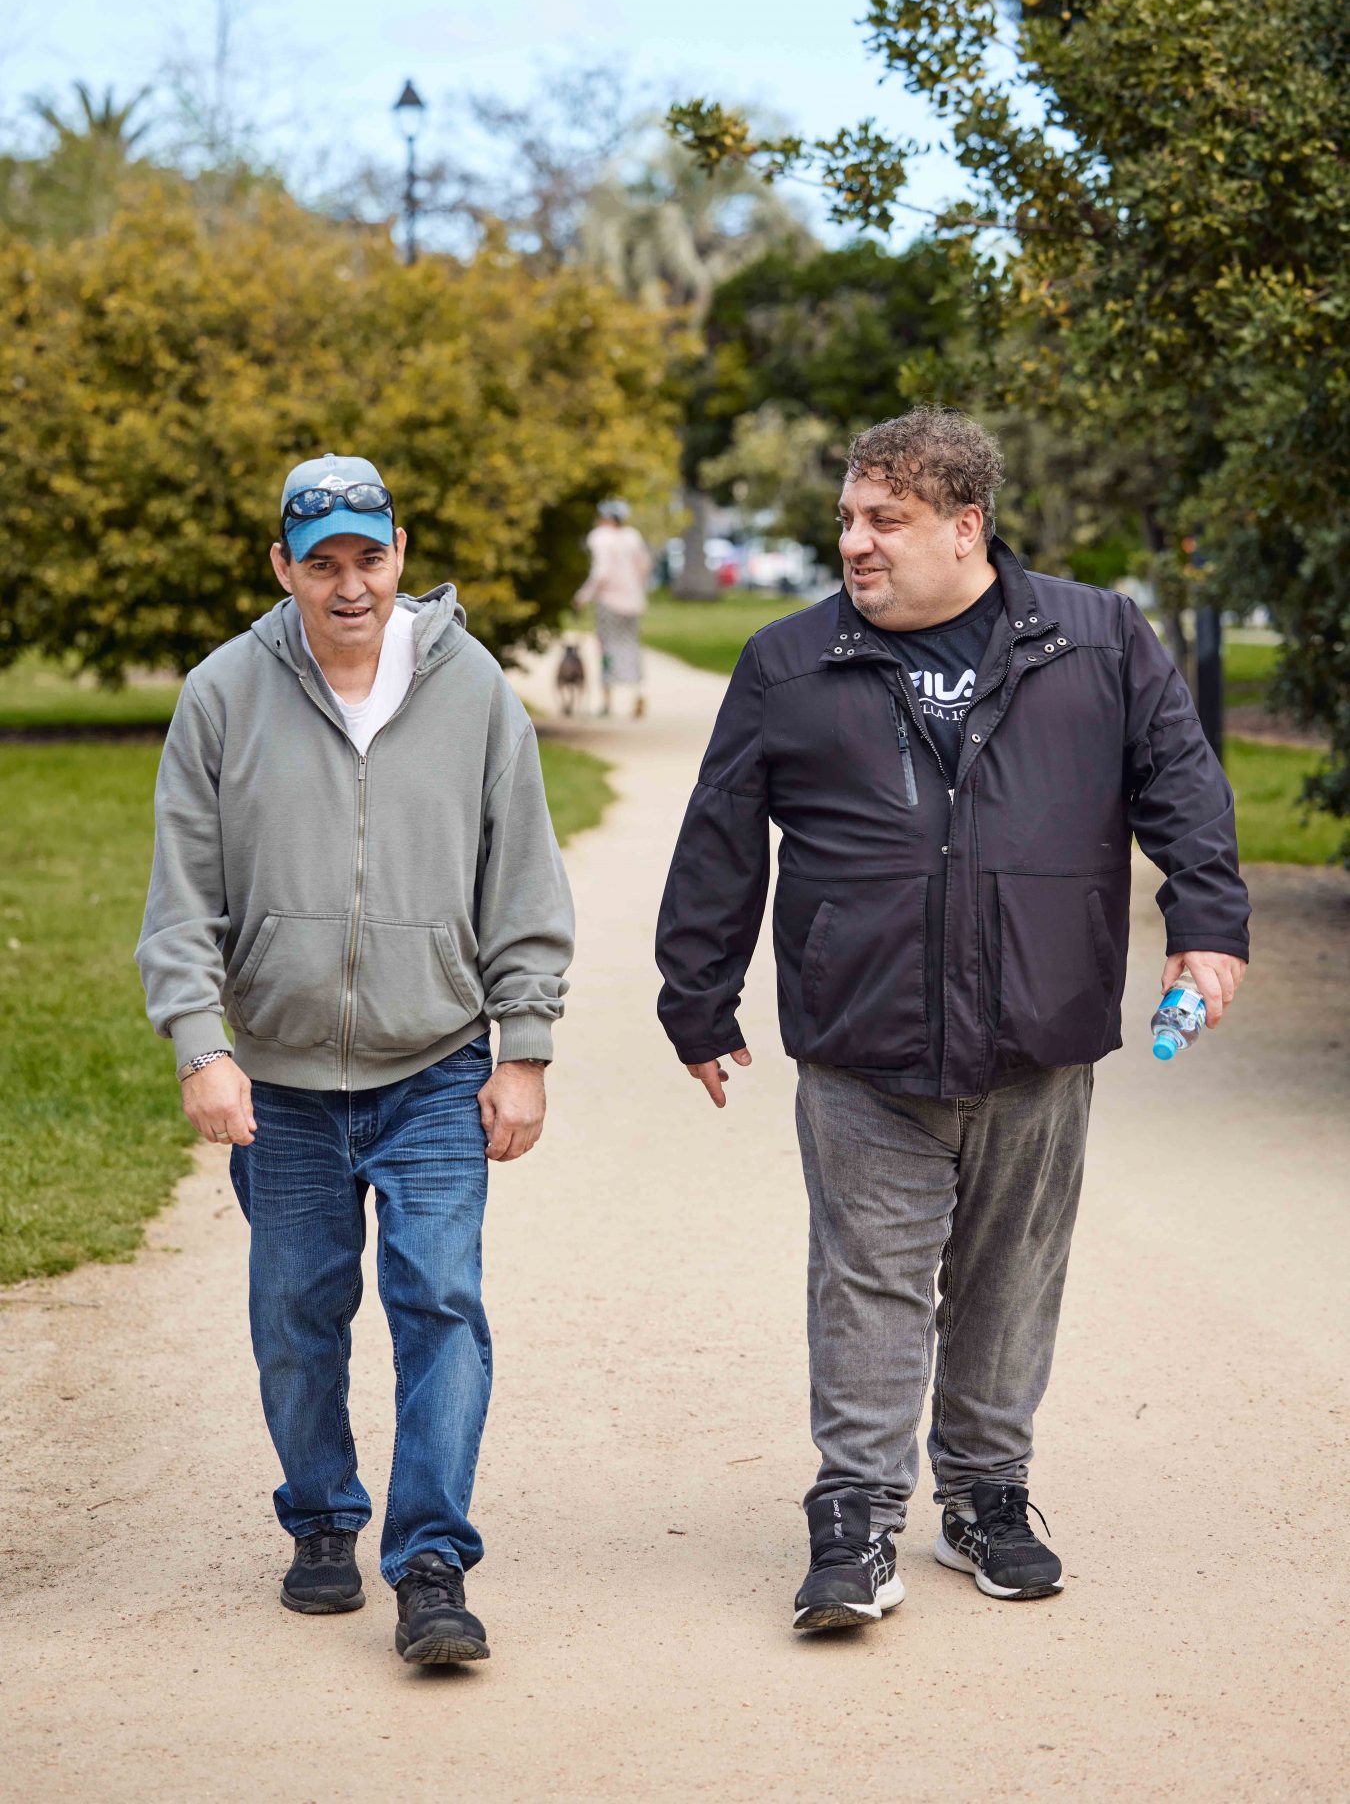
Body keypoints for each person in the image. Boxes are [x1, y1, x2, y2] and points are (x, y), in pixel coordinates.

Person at [654, 408, 1249, 1632]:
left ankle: (986, 1494)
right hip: (863, 1035)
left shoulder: (1096, 638)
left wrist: (1209, 924)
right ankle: (857, 1513)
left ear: (965, 525)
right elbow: (720, 834)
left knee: (1010, 1275)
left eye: (885, 520)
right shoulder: (788, 660)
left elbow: (1181, 786)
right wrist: (696, 993)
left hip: (1040, 1027)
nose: (854, 544)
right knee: (868, 1277)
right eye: (847, 519)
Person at [136, 453, 574, 1668]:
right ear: (282, 565)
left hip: (435, 1063)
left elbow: (523, 878)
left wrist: (523, 1045)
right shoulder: (223, 694)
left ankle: (432, 1560)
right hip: (276, 1079)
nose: (348, 585)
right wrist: (203, 1045)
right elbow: (182, 901)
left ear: (398, 555)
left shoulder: (473, 687)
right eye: (319, 562)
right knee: (296, 1312)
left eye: (368, 558)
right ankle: (323, 1518)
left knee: (441, 1302)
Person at [576, 498, 651, 718]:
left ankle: (607, 701)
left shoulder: (599, 537)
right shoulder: (632, 536)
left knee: (607, 649)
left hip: (609, 602)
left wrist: (583, 595)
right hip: (633, 601)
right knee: (631, 647)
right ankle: (639, 693)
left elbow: (601, 572)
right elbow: (644, 566)